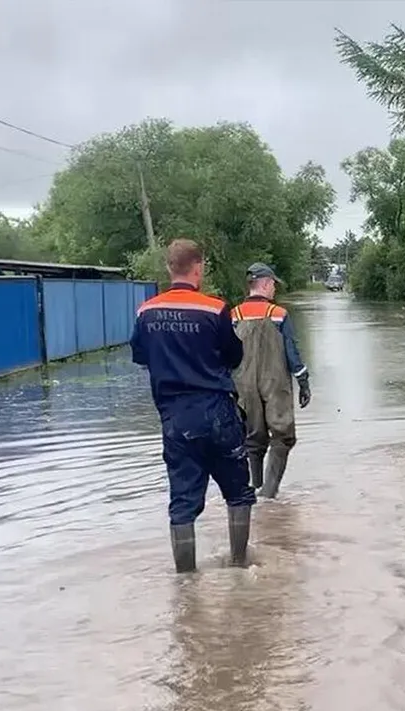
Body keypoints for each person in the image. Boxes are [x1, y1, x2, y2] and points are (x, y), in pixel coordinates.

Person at [131, 239, 256, 573]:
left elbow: (140, 356)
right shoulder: (215, 309)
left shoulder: (146, 311)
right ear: (198, 267)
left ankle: (185, 582)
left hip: (174, 418)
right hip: (216, 410)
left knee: (182, 504)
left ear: (170, 267)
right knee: (238, 493)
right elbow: (234, 357)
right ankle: (240, 566)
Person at [230, 262, 311, 499]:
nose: (275, 289)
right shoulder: (279, 314)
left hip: (243, 384)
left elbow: (224, 354)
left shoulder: (233, 315)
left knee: (252, 439)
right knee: (283, 436)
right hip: (275, 383)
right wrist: (303, 380)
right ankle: (269, 493)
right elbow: (291, 352)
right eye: (273, 284)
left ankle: (253, 490)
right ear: (265, 284)